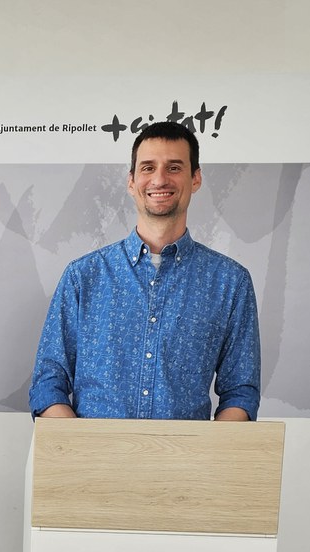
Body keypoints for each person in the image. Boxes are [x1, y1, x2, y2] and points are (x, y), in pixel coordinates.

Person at [28, 121, 260, 421]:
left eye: (174, 167)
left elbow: (241, 392)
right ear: (131, 181)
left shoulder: (230, 282)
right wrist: (83, 446)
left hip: (184, 452)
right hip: (93, 451)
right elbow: (48, 384)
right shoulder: (83, 277)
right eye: (148, 167)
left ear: (196, 179)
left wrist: (203, 451)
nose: (159, 179)